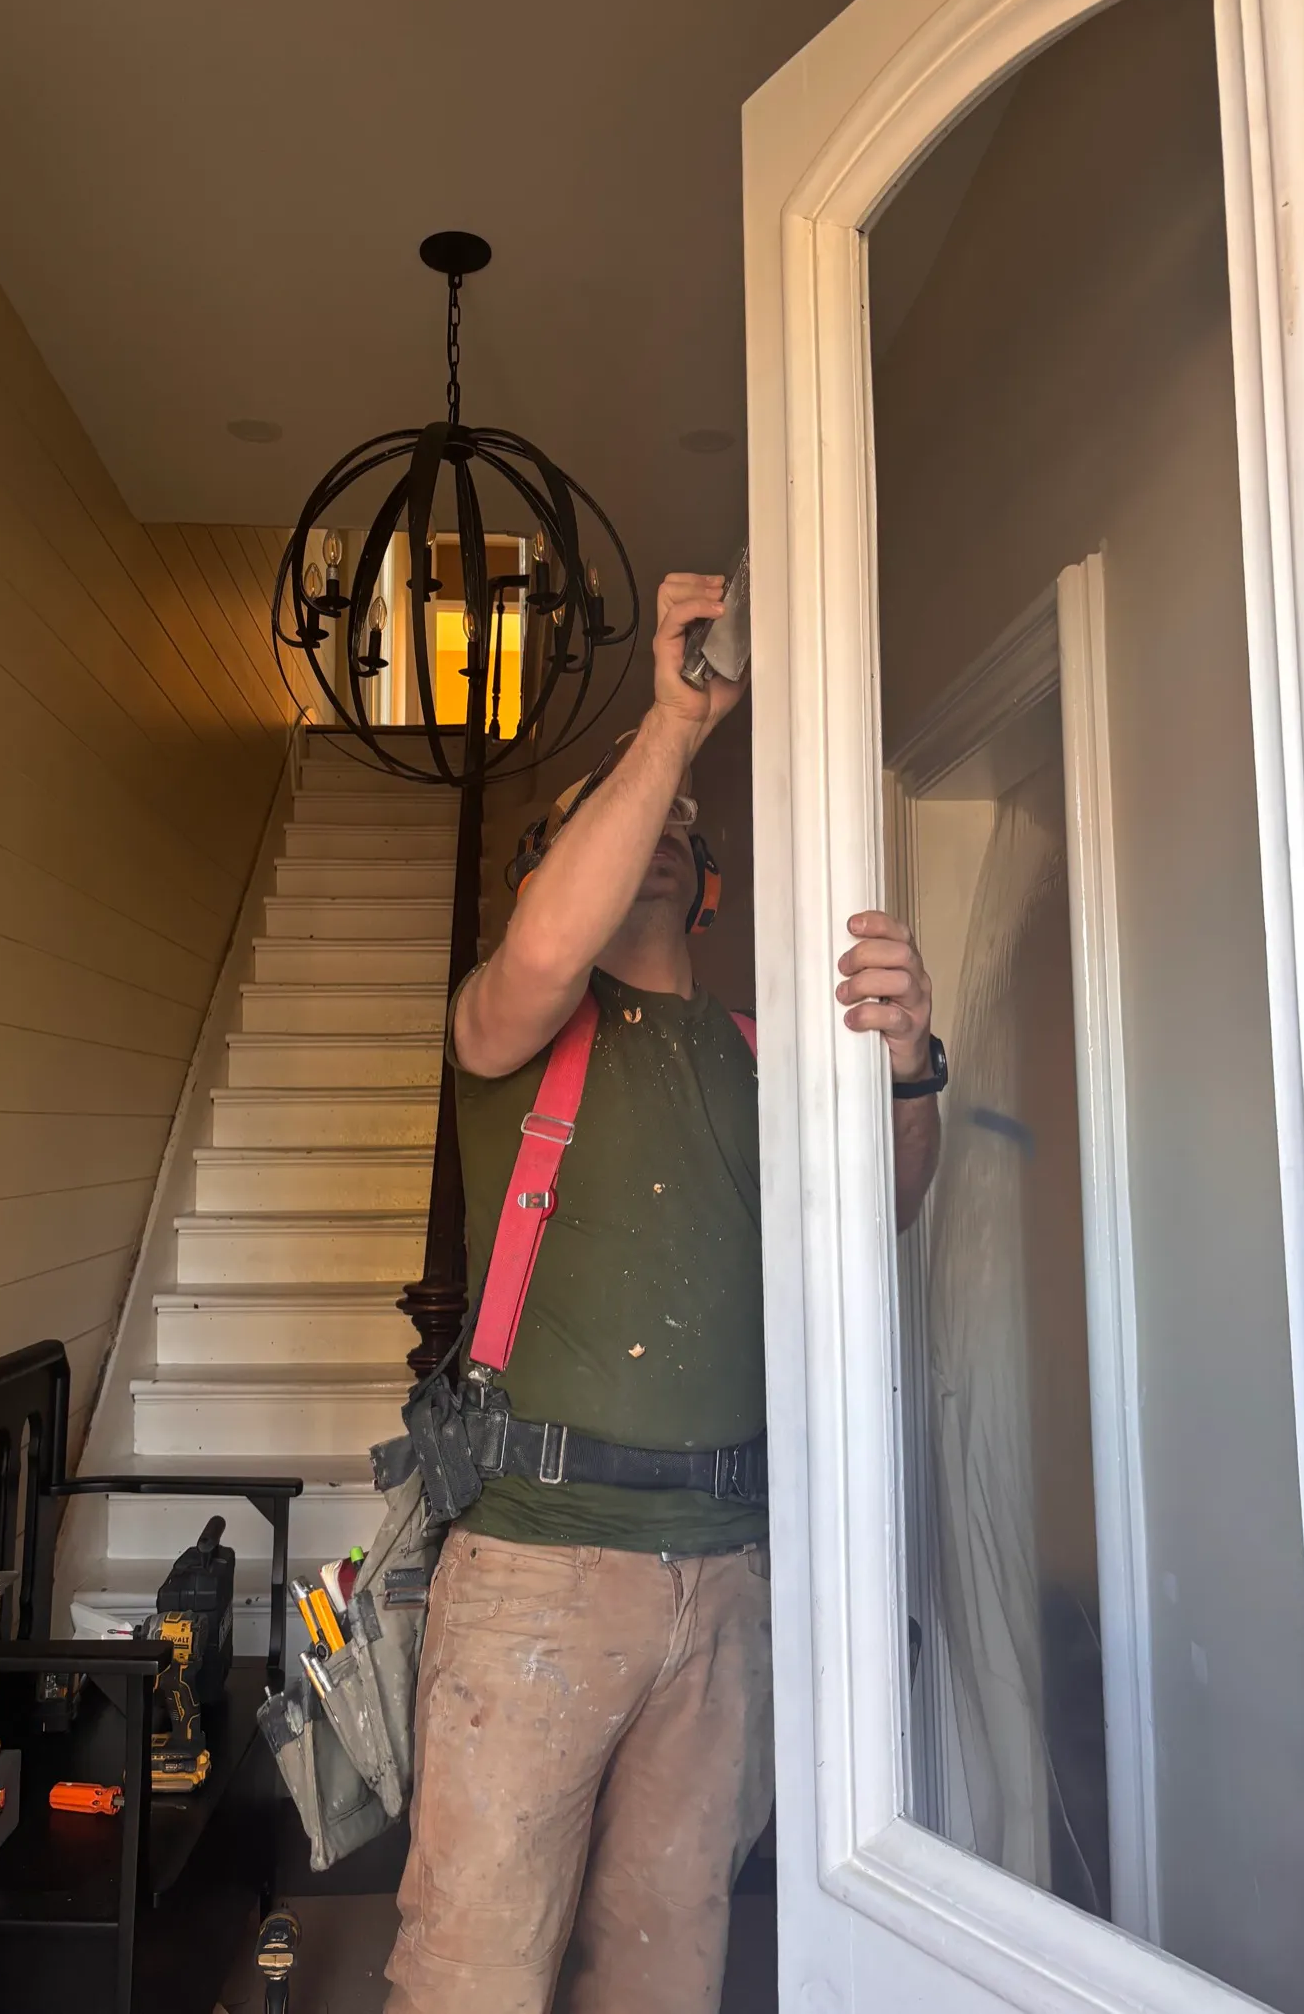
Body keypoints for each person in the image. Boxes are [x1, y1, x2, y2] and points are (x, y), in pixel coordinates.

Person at [383, 573, 942, 2014]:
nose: (661, 835)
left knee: (666, 1967)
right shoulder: (501, 1021)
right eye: (613, 826)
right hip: (535, 1580)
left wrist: (906, 1066)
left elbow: (878, 1216)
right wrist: (672, 731)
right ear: (543, 870)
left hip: (728, 1576)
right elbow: (549, 952)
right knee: (472, 1976)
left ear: (711, 886)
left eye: (681, 833)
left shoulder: (766, 1053)